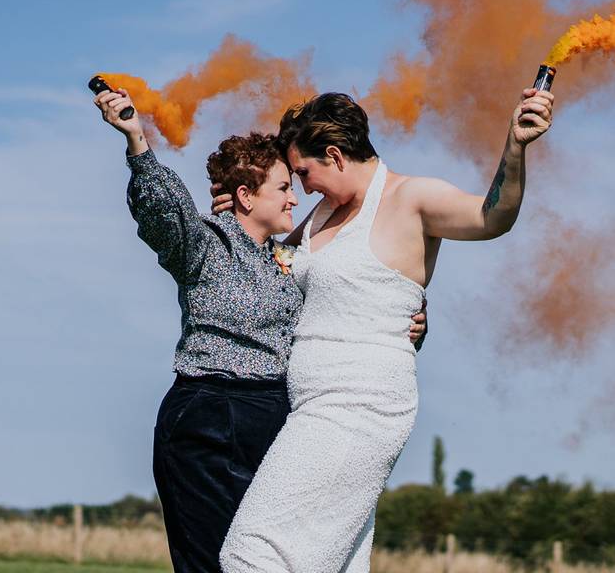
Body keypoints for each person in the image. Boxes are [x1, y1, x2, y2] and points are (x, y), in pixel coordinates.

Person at [218, 86, 553, 572]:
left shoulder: (412, 198)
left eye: (305, 173)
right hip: (310, 403)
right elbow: (267, 272)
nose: (303, 188)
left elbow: (491, 215)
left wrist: (515, 148)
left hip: (360, 406)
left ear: (333, 155)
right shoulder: (322, 216)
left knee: (253, 551)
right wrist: (238, 214)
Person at [92, 88, 427, 573]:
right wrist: (137, 140)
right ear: (246, 196)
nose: (297, 196)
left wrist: (412, 312)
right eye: (282, 187)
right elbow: (164, 213)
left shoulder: (290, 260)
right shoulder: (203, 246)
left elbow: (354, 289)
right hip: (207, 419)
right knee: (215, 564)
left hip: (276, 417)